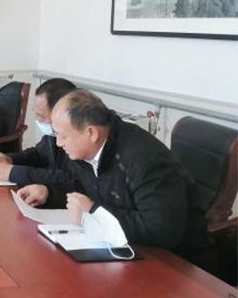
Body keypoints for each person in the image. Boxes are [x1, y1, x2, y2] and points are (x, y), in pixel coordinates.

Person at [17, 90, 215, 271]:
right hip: (126, 252)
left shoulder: (145, 160)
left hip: (177, 266)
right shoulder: (89, 150)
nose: (58, 143)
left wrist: (93, 213)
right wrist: (49, 193)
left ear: (91, 133)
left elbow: (163, 230)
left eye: (62, 136)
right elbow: (84, 186)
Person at [0, 78, 77, 186]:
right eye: (37, 115)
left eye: (41, 116)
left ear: (60, 112)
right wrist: (9, 159)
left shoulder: (79, 138)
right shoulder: (52, 134)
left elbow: (70, 179)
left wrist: (13, 173)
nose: (39, 121)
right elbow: (38, 154)